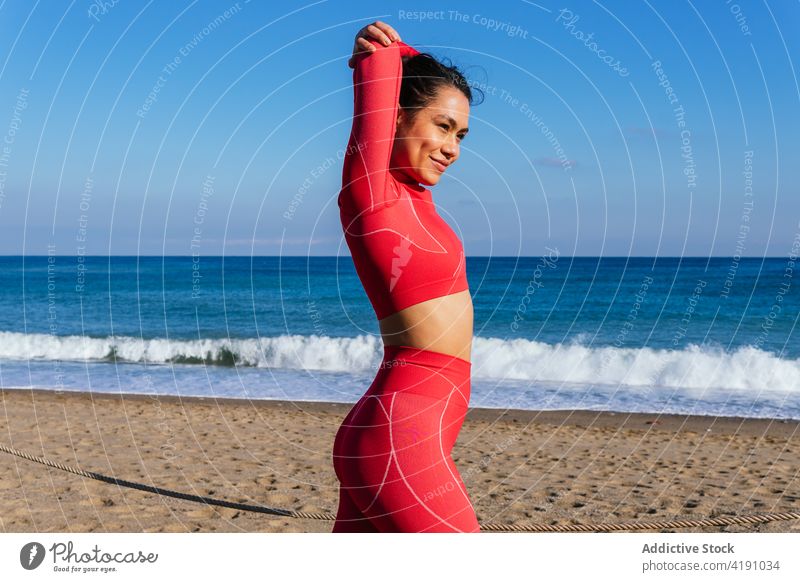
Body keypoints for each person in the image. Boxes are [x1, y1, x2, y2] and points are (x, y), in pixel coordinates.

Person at [331, 21, 482, 533]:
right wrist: (380, 56)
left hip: (400, 431)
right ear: (393, 119)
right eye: (442, 126)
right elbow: (377, 90)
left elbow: (405, 80)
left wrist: (410, 59)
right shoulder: (372, 196)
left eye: (460, 134)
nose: (453, 147)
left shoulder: (419, 201)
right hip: (400, 439)